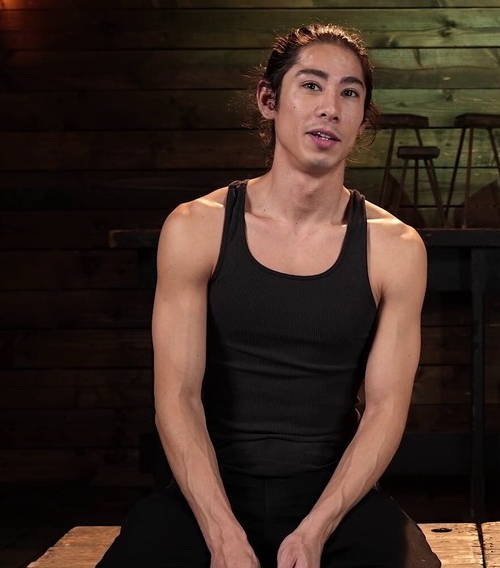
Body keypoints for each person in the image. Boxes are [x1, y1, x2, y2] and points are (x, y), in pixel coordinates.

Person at [98, 24, 440, 568]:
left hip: (333, 501)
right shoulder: (196, 227)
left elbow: (385, 410)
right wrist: (221, 534)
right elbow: (177, 398)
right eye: (311, 85)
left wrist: (316, 531)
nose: (330, 108)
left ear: (363, 119)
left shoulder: (395, 247)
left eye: (350, 93)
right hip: (207, 495)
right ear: (268, 100)